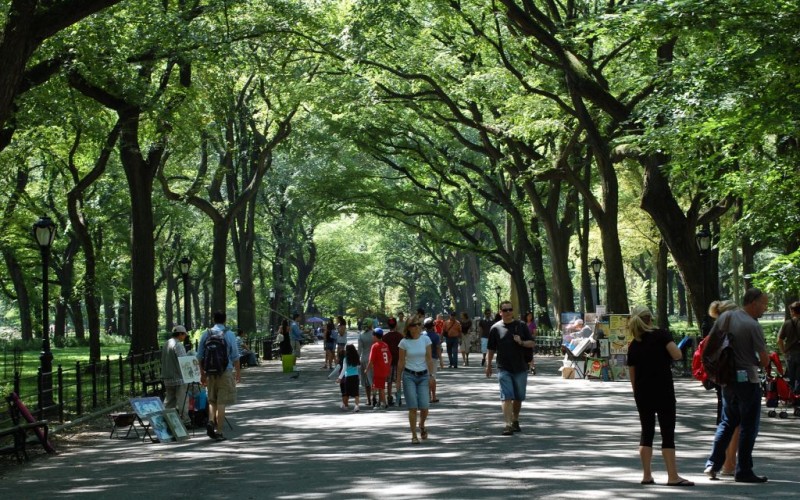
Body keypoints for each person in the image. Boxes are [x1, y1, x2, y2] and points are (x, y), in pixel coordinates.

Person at [704, 288, 770, 483]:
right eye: (763, 304)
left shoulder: (727, 317)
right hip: (747, 380)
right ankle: (744, 470)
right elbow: (764, 360)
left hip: (727, 379)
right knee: (749, 425)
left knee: (727, 421)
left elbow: (712, 343)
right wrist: (759, 363)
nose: (765, 308)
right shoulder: (753, 325)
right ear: (753, 302)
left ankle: (712, 464)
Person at [626, 306, 693, 487]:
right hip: (663, 391)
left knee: (646, 433)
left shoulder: (634, 344)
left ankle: (647, 475)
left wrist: (637, 394)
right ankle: (672, 476)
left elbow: (632, 374)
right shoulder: (661, 335)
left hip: (642, 393)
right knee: (667, 433)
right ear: (650, 319)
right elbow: (677, 354)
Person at [485, 300, 534, 436]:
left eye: (510, 310)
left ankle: (515, 419)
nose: (508, 312)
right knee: (506, 396)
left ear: (513, 311)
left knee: (518, 397)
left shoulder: (522, 326)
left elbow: (531, 343)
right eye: (505, 310)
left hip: (520, 367)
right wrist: (488, 365)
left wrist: (521, 342)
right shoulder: (495, 328)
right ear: (500, 312)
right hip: (503, 368)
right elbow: (491, 349)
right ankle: (507, 424)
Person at [707, 299, 741, 476]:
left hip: (721, 380)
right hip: (735, 380)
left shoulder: (715, 331)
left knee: (725, 421)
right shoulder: (732, 331)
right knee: (734, 423)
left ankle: (716, 464)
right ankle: (729, 464)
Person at [196, 311, 240, 441]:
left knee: (212, 400)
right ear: (225, 320)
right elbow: (235, 356)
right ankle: (219, 431)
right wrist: (238, 373)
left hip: (210, 372)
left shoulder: (206, 334)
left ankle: (210, 420)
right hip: (225, 371)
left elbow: (199, 356)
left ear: (213, 319)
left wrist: (202, 373)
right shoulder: (230, 334)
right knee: (222, 402)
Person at [397, 317, 434, 444]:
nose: (417, 327)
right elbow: (401, 362)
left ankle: (422, 424)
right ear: (408, 327)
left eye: (419, 324)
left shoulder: (426, 339)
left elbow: (429, 359)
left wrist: (432, 376)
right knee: (413, 407)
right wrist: (397, 380)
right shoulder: (403, 342)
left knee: (424, 407)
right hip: (409, 376)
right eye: (414, 325)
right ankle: (414, 435)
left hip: (423, 376)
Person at [161, 325, 189, 424]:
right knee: (182, 401)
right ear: (180, 334)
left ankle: (167, 420)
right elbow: (184, 361)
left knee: (169, 401)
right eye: (184, 334)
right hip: (178, 377)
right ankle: (185, 421)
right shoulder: (178, 345)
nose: (185, 336)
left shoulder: (166, 343)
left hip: (167, 377)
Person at [777, 301, 800, 394]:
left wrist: (783, 352)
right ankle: (798, 397)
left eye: (791, 311)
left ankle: (791, 396)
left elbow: (779, 340)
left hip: (790, 354)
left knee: (791, 376)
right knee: (799, 378)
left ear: (793, 312)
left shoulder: (787, 323)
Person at [366, 328, 391, 410]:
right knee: (380, 386)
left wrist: (367, 369)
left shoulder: (375, 346)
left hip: (378, 370)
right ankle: (381, 402)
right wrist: (387, 366)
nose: (372, 337)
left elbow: (371, 360)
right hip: (385, 369)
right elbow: (390, 358)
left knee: (380, 388)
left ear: (375, 336)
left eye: (373, 335)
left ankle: (383, 404)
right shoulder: (385, 345)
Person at [383, 317, 403, 406]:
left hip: (388, 361)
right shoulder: (400, 336)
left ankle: (389, 397)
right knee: (398, 380)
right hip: (398, 360)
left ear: (388, 325)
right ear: (396, 325)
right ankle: (398, 397)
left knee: (389, 381)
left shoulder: (385, 337)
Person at [422, 317, 442, 403]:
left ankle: (427, 396)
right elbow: (438, 348)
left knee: (425, 377)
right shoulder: (436, 336)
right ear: (432, 326)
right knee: (432, 377)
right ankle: (433, 396)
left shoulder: (421, 335)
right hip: (433, 358)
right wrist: (441, 360)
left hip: (423, 359)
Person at [336, 344, 361, 412]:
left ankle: (344, 404)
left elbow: (344, 369)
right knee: (356, 393)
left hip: (348, 377)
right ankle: (356, 406)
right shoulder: (356, 357)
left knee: (347, 393)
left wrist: (339, 378)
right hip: (355, 376)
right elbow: (359, 367)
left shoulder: (346, 359)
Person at [358, 319, 376, 406]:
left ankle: (368, 400)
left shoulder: (361, 335)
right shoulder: (374, 334)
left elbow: (359, 350)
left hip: (364, 359)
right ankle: (375, 398)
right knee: (374, 380)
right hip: (374, 360)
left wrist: (357, 359)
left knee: (366, 382)